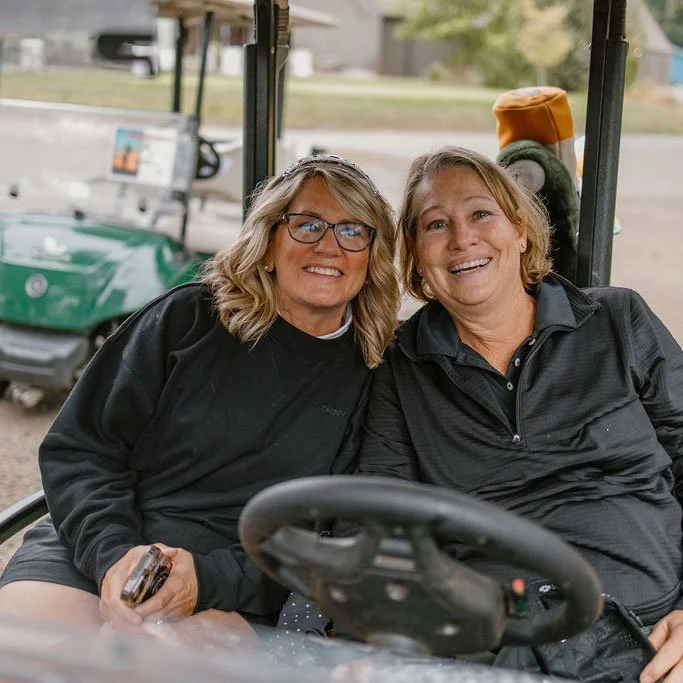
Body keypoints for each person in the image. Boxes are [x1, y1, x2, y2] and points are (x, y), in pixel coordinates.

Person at [0, 154, 399, 644]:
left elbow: (331, 537)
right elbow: (82, 449)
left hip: (238, 587)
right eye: (307, 225)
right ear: (269, 241)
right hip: (102, 548)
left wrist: (207, 580)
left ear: (371, 256)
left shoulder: (376, 372)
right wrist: (113, 556)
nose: (329, 246)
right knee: (16, 647)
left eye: (352, 231)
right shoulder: (187, 320)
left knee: (132, 663)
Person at [353, 146, 683, 682]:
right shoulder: (402, 367)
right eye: (436, 224)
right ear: (415, 255)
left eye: (481, 213)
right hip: (495, 645)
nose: (462, 238)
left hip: (649, 632)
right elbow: (379, 517)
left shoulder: (618, 321)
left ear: (521, 231)